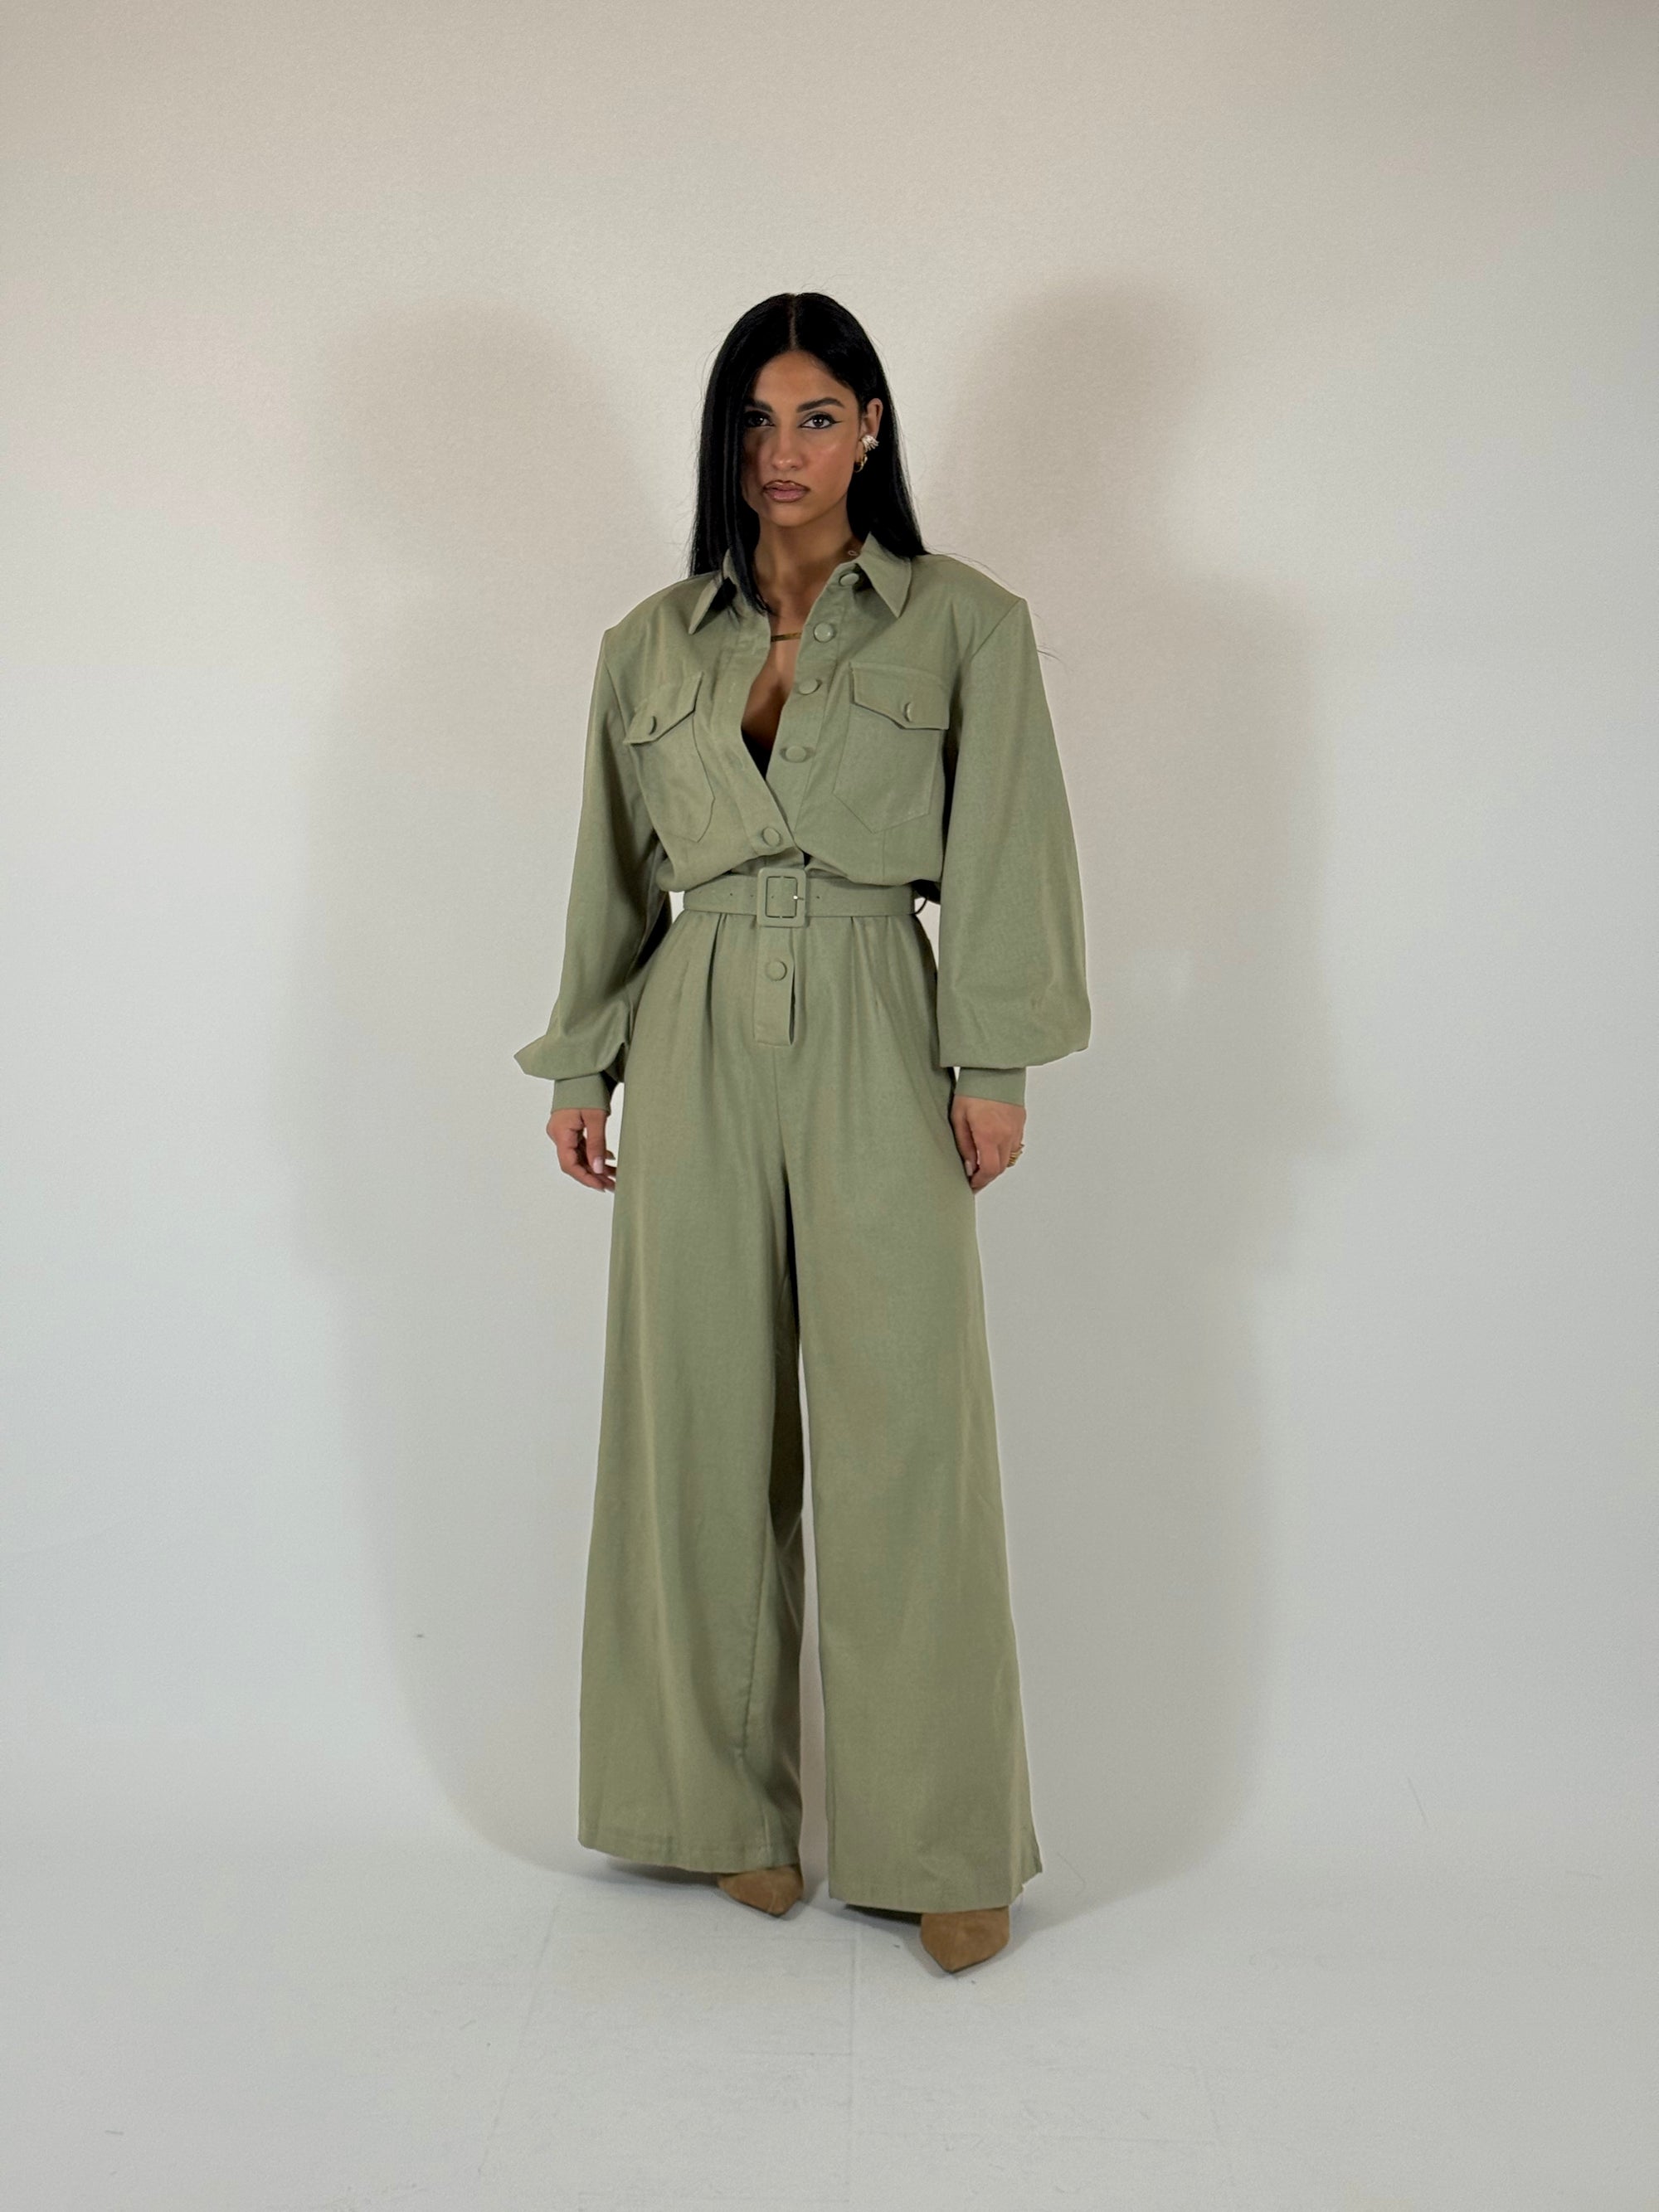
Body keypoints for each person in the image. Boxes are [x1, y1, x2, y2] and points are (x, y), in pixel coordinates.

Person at [514, 292, 1090, 1973]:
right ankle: (715, 1812)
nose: (784, 453)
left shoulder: (964, 621)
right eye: (756, 422)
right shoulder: (649, 641)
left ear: (872, 427)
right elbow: (610, 869)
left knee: (906, 1427)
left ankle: (939, 1838)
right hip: (692, 1016)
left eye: (818, 416)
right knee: (693, 1424)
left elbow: (1008, 843)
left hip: (875, 1007)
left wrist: (992, 1058)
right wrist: (581, 1064)